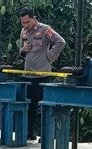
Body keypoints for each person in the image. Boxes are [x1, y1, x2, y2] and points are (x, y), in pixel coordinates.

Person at [18, 7, 66, 140]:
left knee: (44, 106)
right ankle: (30, 133)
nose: (25, 25)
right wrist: (22, 50)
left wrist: (50, 56)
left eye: (27, 22)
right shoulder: (23, 32)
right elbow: (23, 52)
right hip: (28, 74)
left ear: (34, 18)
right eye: (23, 23)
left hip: (42, 75)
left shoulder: (45, 29)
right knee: (30, 106)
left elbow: (61, 42)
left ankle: (45, 135)